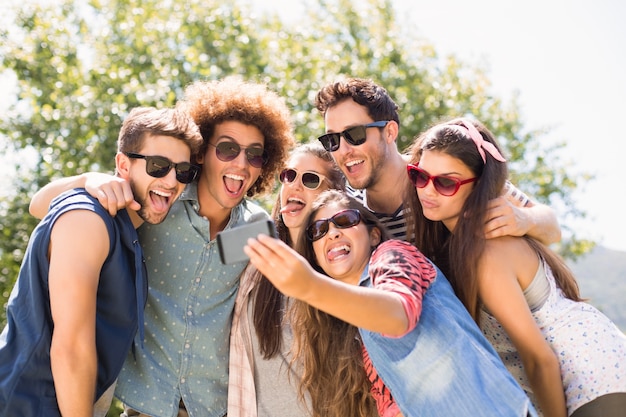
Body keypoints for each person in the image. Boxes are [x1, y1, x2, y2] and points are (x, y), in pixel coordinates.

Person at [28, 76, 295, 417]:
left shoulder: (256, 229)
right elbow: (40, 206)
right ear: (201, 154)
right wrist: (86, 180)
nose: (241, 163)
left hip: (214, 409)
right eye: (228, 148)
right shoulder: (157, 203)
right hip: (144, 408)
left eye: (255, 155)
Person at [244, 189, 537, 417]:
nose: (332, 232)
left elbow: (398, 314)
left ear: (373, 234)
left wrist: (309, 287)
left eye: (345, 220)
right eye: (318, 231)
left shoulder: (391, 255)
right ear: (316, 255)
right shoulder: (350, 324)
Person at [404, 117, 626, 417]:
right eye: (419, 176)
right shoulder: (460, 244)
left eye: (446, 182)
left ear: (479, 185)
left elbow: (539, 360)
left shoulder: (486, 252)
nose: (427, 191)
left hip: (594, 378)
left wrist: (528, 220)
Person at [0, 106, 203, 417]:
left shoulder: (123, 227)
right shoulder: (88, 218)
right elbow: (72, 350)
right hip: (25, 405)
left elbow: (38, 205)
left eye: (183, 171)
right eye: (159, 165)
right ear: (123, 164)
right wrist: (87, 179)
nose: (172, 180)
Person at [314, 77, 561, 244]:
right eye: (332, 140)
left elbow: (552, 228)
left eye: (354, 134)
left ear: (389, 132)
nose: (343, 150)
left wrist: (524, 219)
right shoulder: (345, 211)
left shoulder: (439, 175)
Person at [228, 141, 350, 416]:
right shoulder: (254, 252)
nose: (294, 186)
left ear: (332, 194)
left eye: (309, 180)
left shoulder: (341, 272)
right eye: (289, 175)